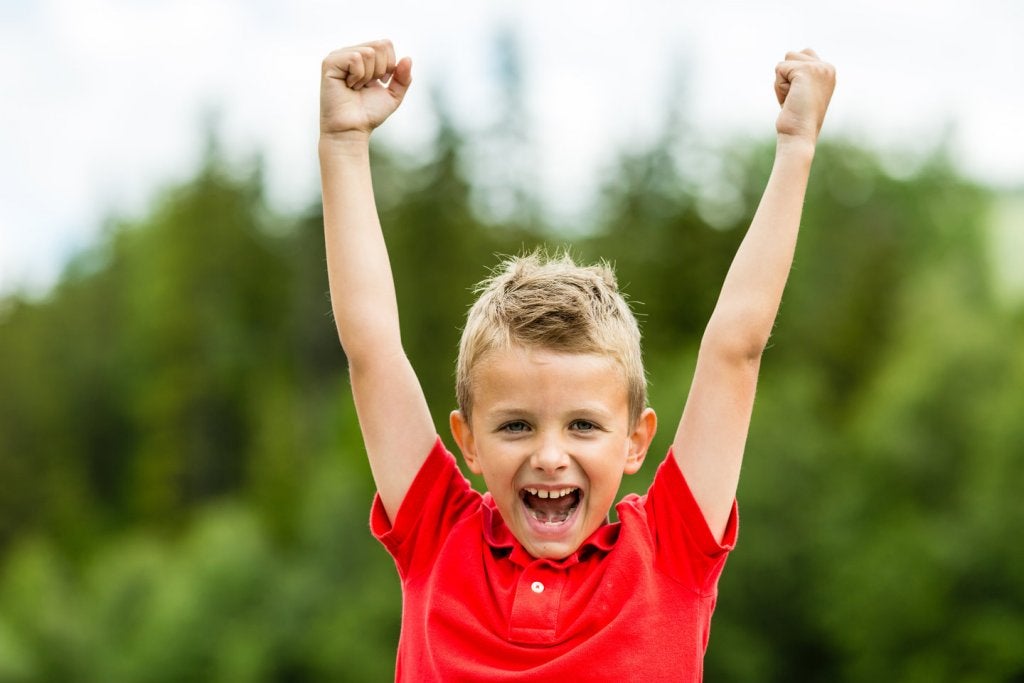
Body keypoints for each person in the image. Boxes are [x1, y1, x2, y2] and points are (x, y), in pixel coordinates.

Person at [319, 38, 835, 681]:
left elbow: (736, 348)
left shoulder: (671, 550)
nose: (550, 454)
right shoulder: (437, 535)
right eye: (515, 425)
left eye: (583, 425)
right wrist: (343, 143)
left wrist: (796, 146)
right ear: (467, 440)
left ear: (635, 439)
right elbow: (371, 348)